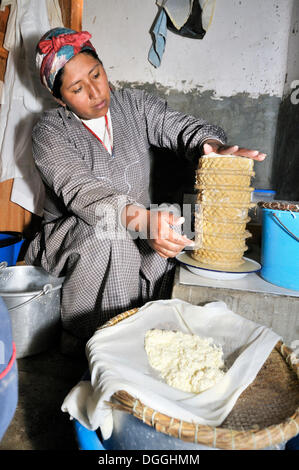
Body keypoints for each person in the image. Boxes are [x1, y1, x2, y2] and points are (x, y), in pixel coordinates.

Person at [25, 27, 266, 352]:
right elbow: (83, 193)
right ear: (59, 98)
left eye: (97, 74)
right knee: (109, 235)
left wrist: (211, 147)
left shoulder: (133, 105)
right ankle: (95, 343)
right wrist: (141, 221)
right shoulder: (50, 132)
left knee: (179, 220)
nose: (96, 92)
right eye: (77, 88)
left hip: (136, 228)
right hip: (75, 241)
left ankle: (140, 325)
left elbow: (181, 127)